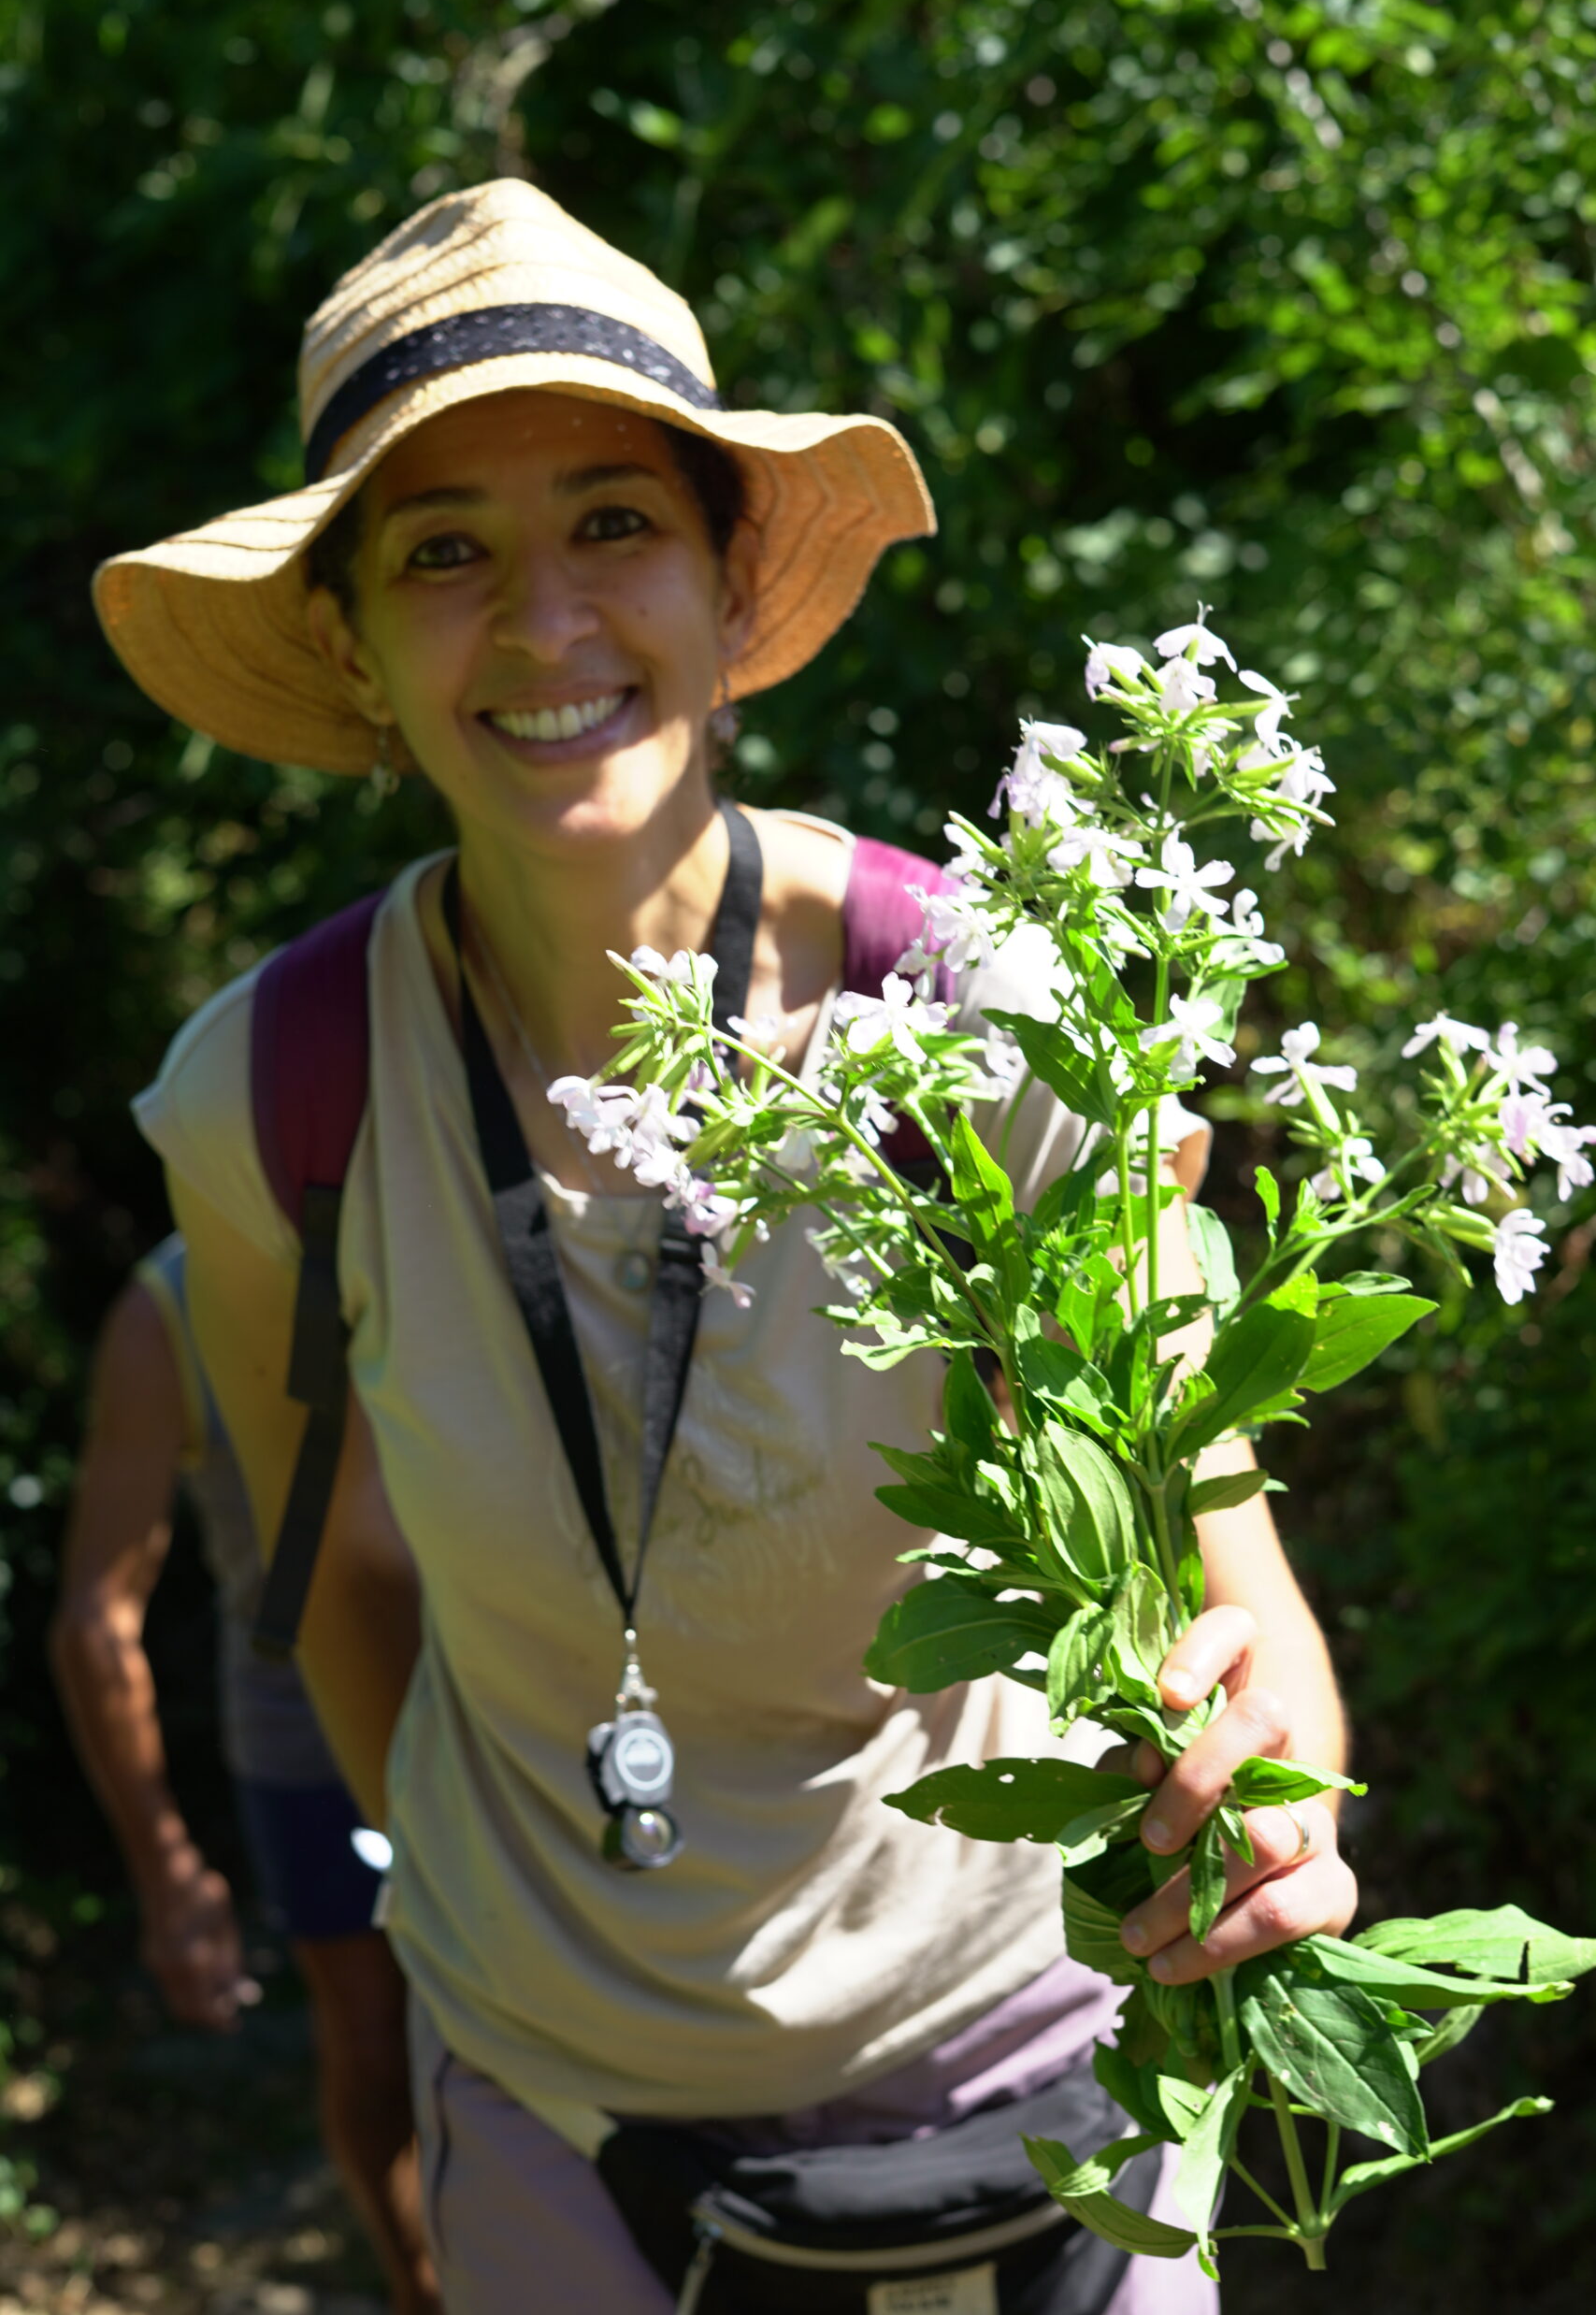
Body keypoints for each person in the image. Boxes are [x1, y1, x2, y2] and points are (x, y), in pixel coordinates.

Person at [95, 180, 1355, 2313]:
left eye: (610, 523)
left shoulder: (984, 1009)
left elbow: (1217, 1557)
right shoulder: (273, 1091)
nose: (542, 621)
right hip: (560, 2127)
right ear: (356, 649)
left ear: (719, 580)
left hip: (1051, 2075)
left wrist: (1269, 1795)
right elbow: (327, 1566)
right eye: (440, 554)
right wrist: (513, 1901)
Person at [50, 1236, 439, 2315]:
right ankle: (423, 2289)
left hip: (498, 1712)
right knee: (373, 2053)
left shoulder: (441, 1209)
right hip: (305, 1743)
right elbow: (96, 1615)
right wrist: (167, 1870)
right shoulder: (165, 1309)